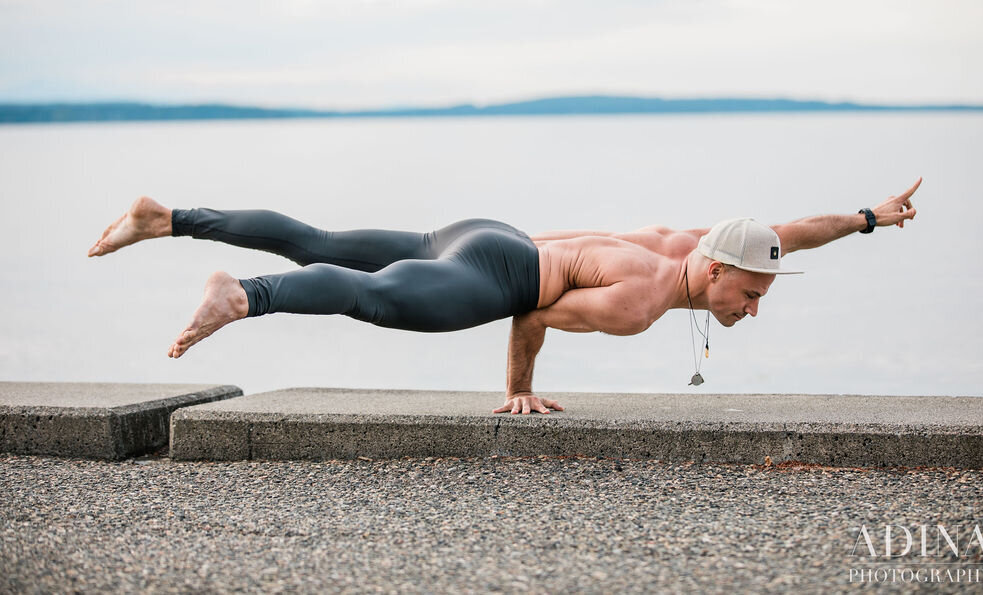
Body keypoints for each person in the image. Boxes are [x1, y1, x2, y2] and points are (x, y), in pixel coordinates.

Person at [87, 178, 921, 415]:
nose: (753, 306)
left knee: (323, 240)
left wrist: (867, 218)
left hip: (487, 233)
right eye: (748, 294)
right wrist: (518, 390)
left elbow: (791, 230)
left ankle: (169, 217)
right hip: (498, 275)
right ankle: (246, 294)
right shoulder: (642, 299)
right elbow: (534, 314)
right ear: (712, 272)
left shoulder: (698, 238)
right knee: (373, 298)